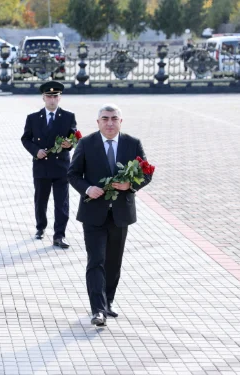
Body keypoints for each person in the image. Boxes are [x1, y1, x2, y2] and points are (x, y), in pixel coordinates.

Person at [68, 104, 152, 326]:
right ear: (98, 122)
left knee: (114, 262)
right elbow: (73, 174)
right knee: (96, 260)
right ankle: (97, 309)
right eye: (105, 118)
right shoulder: (86, 143)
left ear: (121, 121)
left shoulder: (132, 144)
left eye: (114, 118)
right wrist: (87, 189)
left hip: (120, 214)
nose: (110, 122)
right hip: (93, 213)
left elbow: (146, 173)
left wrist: (130, 185)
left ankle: (108, 302)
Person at [21, 81, 77, 248]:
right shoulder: (33, 118)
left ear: (60, 98)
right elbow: (25, 139)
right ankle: (41, 227)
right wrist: (35, 151)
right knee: (41, 200)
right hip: (41, 166)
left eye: (55, 96)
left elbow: (73, 135)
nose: (52, 100)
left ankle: (59, 235)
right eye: (49, 96)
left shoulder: (68, 116)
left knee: (62, 202)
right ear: (43, 97)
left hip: (61, 167)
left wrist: (70, 143)